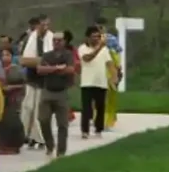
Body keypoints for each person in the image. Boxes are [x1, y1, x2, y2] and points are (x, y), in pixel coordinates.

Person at [37, 31, 75, 159]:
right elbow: (40, 69)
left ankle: (61, 152)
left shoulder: (68, 55)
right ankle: (49, 144)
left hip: (62, 92)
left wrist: (51, 69)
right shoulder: (47, 55)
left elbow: (70, 69)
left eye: (59, 40)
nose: (56, 42)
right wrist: (57, 68)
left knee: (62, 124)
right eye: (54, 40)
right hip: (47, 91)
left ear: (64, 42)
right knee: (43, 119)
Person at [20, 15, 53, 147]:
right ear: (37, 25)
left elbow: (54, 59)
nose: (45, 28)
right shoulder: (30, 38)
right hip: (32, 78)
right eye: (42, 25)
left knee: (40, 110)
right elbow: (24, 60)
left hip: (46, 81)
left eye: (47, 25)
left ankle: (40, 138)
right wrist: (40, 62)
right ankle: (25, 135)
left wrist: (40, 62)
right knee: (28, 107)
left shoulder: (51, 38)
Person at [79, 26, 112, 139]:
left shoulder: (104, 49)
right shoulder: (83, 48)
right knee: (86, 108)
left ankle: (99, 129)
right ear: (88, 37)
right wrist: (99, 48)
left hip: (101, 82)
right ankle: (85, 130)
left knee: (100, 107)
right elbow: (87, 58)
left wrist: (114, 76)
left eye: (98, 36)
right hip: (87, 83)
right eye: (94, 36)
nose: (97, 39)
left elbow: (109, 63)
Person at [0, 48, 27, 154]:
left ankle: (14, 145)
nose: (5, 57)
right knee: (2, 122)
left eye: (7, 55)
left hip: (13, 99)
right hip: (1, 98)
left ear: (12, 57)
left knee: (13, 121)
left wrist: (11, 87)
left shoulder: (16, 69)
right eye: (3, 55)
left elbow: (23, 84)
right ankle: (2, 145)